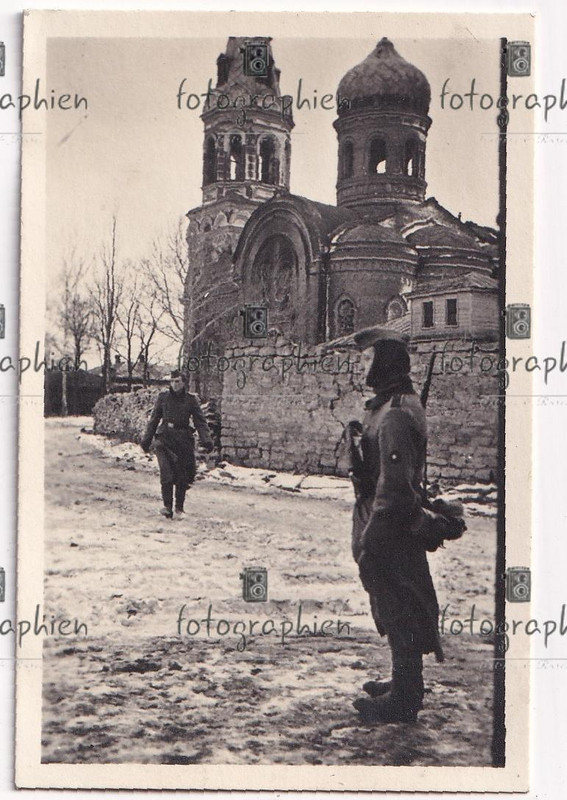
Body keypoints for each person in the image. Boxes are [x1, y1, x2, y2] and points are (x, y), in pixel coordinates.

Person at [348, 326, 465, 723]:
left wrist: (372, 537)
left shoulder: (396, 412)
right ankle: (403, 683)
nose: (363, 366)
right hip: (385, 517)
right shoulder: (388, 404)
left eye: (368, 359)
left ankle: (405, 698)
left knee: (400, 605)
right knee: (394, 601)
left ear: (386, 362)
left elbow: (394, 487)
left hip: (390, 522)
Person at [141, 370, 214, 519]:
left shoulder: (190, 400)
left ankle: (179, 508)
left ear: (184, 383)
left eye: (178, 381)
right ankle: (167, 507)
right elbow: (154, 419)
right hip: (164, 439)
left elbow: (200, 421)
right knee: (166, 473)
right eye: (172, 381)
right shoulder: (163, 398)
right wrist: (146, 440)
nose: (175, 384)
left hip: (183, 440)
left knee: (182, 475)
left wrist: (206, 440)